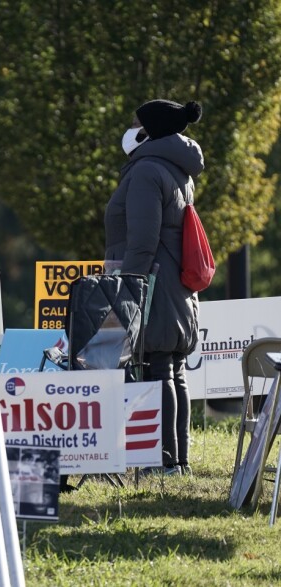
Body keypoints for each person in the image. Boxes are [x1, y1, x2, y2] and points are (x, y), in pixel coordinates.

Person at [104, 99, 204, 476]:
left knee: (158, 368)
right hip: (172, 283)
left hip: (152, 282)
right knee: (172, 369)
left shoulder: (146, 170)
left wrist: (127, 289)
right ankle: (176, 463)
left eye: (135, 122)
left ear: (149, 131)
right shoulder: (175, 169)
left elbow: (143, 241)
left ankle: (161, 463)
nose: (130, 128)